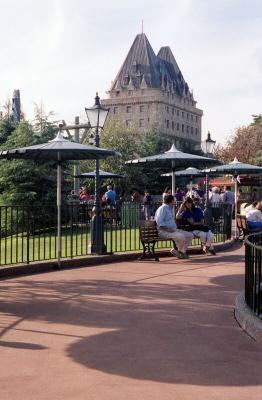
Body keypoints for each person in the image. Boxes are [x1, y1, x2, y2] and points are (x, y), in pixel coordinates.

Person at [155, 194, 193, 259]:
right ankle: (181, 253)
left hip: (173, 230)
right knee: (181, 236)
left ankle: (180, 252)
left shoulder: (169, 209)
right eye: (174, 200)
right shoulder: (162, 208)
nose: (175, 202)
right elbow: (159, 222)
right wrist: (168, 230)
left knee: (190, 235)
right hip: (164, 231)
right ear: (171, 201)